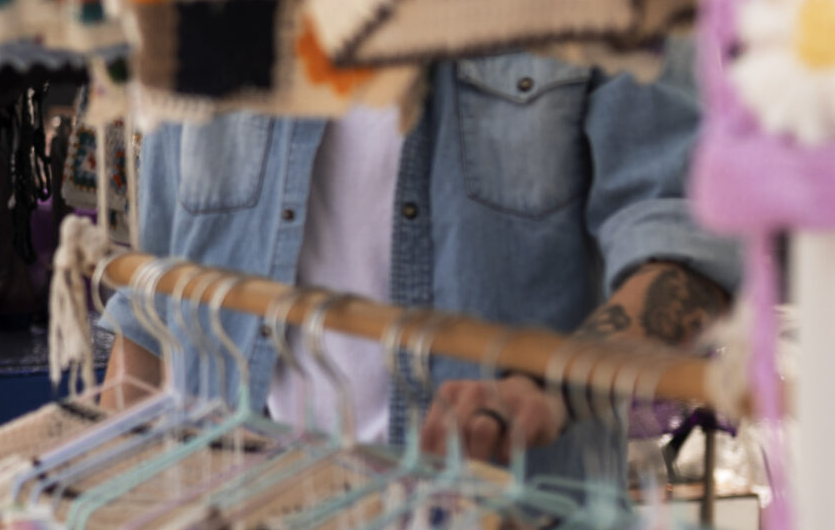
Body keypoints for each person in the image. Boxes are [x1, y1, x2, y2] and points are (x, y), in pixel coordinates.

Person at [100, 47, 744, 470]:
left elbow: (686, 236)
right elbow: (156, 292)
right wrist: (97, 502)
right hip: (230, 524)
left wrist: (547, 392)